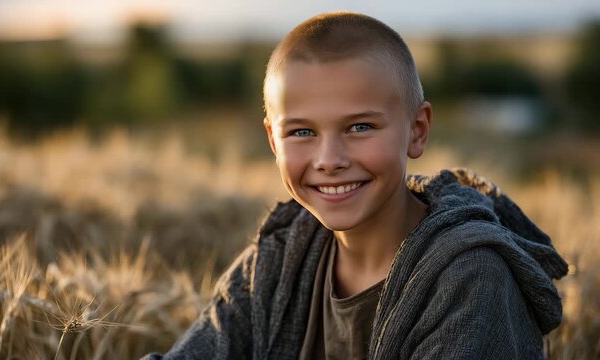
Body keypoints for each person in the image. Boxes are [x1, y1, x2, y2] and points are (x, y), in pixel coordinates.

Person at [143, 11, 568, 360]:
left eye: (360, 126)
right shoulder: (280, 255)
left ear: (417, 130)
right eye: (302, 133)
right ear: (273, 140)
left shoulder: (469, 277)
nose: (330, 160)